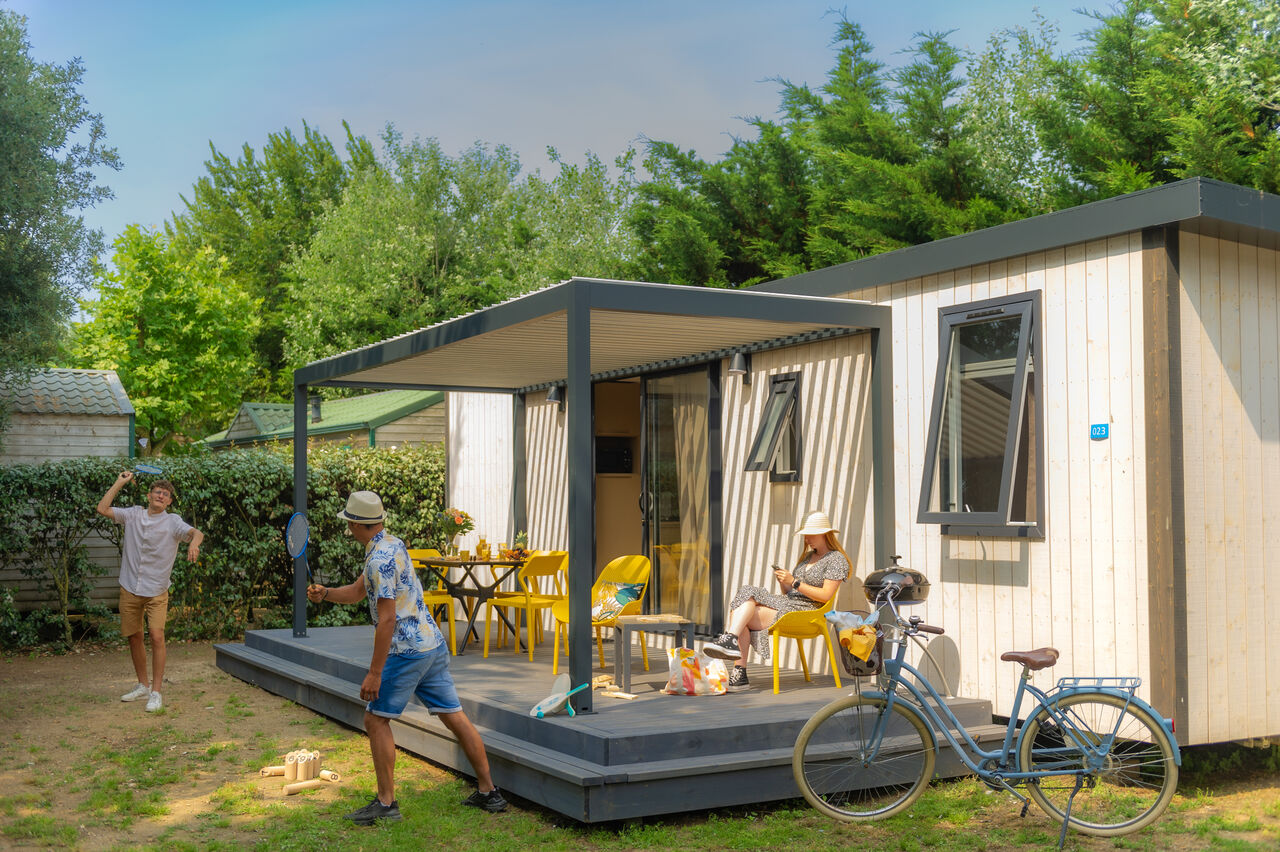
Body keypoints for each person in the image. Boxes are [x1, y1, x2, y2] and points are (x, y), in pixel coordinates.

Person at [307, 491, 507, 824]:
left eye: (349, 523)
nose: (348, 529)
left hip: (407, 652)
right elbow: (357, 592)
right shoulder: (393, 545)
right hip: (432, 645)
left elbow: (387, 620)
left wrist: (375, 673)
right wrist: (326, 593)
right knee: (454, 715)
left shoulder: (378, 560)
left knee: (375, 720)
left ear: (355, 524)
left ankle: (386, 804)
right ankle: (490, 792)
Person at [702, 510, 851, 692]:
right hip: (789, 602)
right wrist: (784, 582)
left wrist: (794, 582)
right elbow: (790, 593)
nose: (806, 539)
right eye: (805, 535)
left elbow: (826, 595)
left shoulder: (836, 559)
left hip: (808, 611)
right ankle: (733, 647)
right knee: (746, 599)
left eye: (810, 535)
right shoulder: (807, 557)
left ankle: (736, 661)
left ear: (824, 533)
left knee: (741, 613)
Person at [97, 470, 204, 713]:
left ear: (169, 501)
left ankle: (156, 692)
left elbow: (196, 533)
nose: (161, 496)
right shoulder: (133, 514)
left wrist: (194, 544)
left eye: (165, 494)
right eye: (157, 492)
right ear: (149, 495)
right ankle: (142, 686)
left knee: (156, 636)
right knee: (134, 636)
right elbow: (102, 509)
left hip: (156, 590)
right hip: (130, 587)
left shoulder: (173, 522)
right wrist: (120, 482)